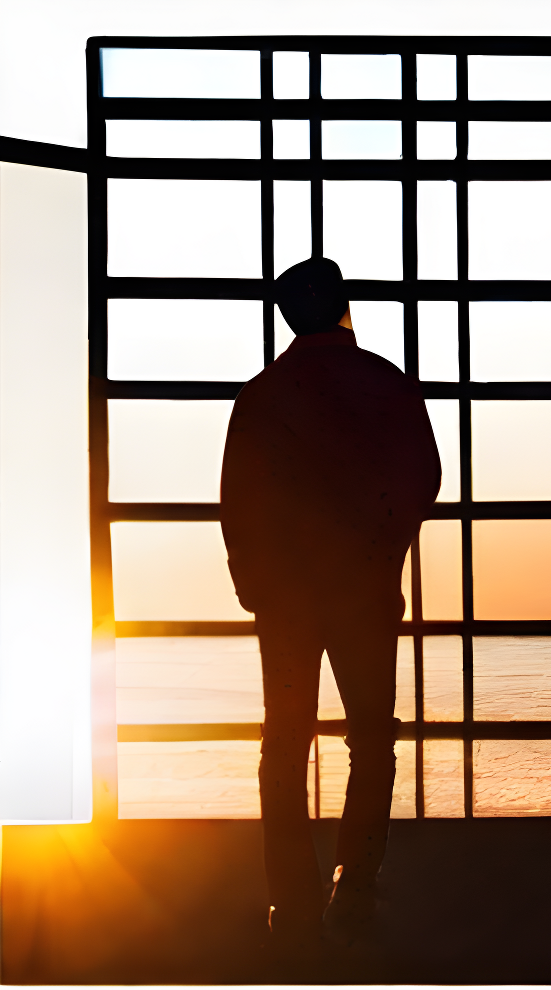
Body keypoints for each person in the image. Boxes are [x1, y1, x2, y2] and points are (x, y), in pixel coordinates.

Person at [221, 257, 441, 951]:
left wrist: (255, 583)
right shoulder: (388, 385)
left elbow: (238, 502)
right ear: (344, 305)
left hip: (286, 596)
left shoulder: (263, 394)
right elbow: (424, 478)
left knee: (284, 741)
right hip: (365, 589)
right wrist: (385, 550)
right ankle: (357, 886)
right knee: (372, 738)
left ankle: (291, 902)